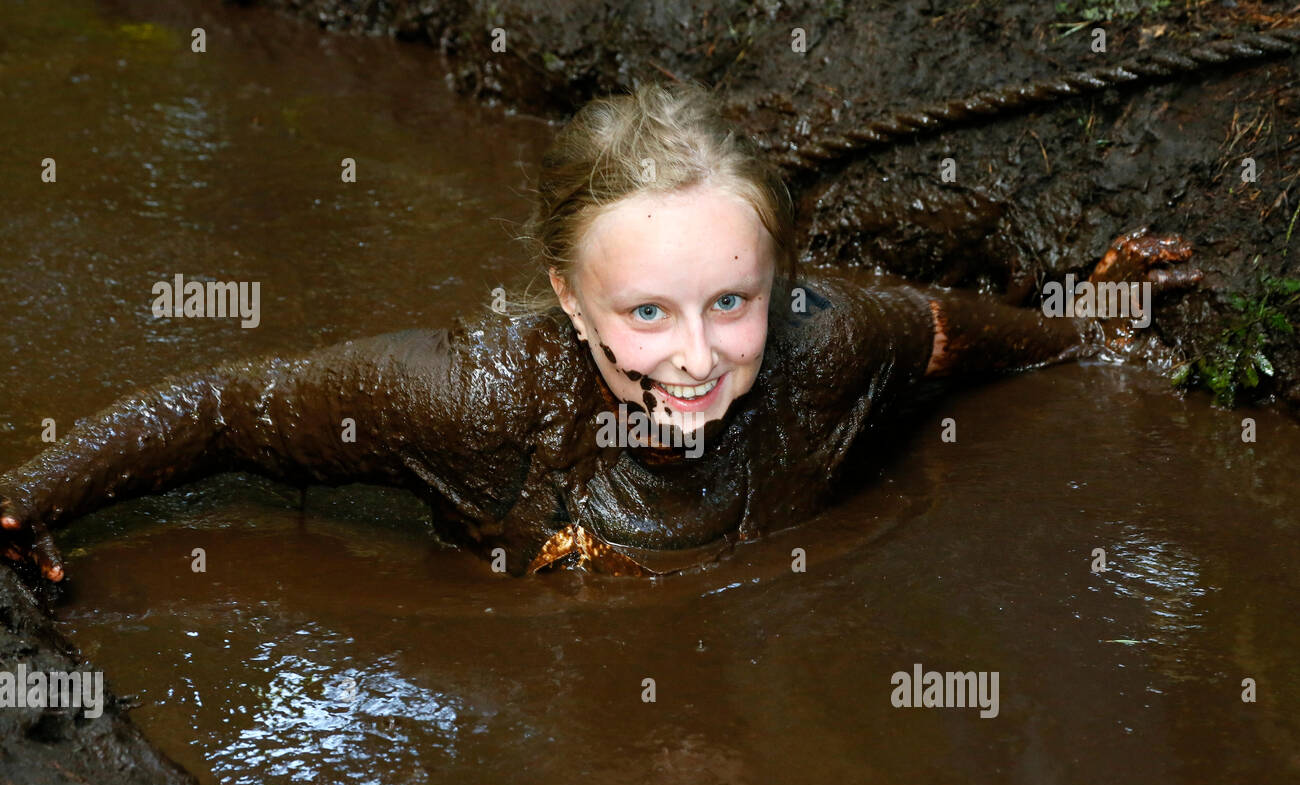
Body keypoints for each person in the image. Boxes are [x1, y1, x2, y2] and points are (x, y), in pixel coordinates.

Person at [0, 81, 1200, 581]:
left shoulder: (829, 338)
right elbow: (220, 411)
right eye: (643, 312)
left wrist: (1092, 323)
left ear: (777, 283)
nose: (693, 355)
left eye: (729, 300)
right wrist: (31, 498)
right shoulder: (467, 396)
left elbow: (968, 337)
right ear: (570, 303)